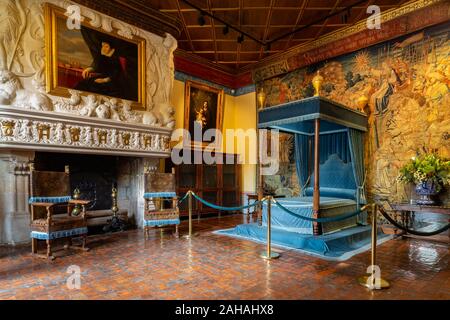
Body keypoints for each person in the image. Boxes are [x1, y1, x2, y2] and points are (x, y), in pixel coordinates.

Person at [75, 27, 136, 100]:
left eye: (106, 46)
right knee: (83, 84)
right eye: (103, 45)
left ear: (112, 48)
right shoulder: (103, 55)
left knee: (97, 88)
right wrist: (90, 68)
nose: (103, 48)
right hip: (104, 77)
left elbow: (118, 72)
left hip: (115, 81)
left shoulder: (118, 57)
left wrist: (105, 80)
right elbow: (99, 63)